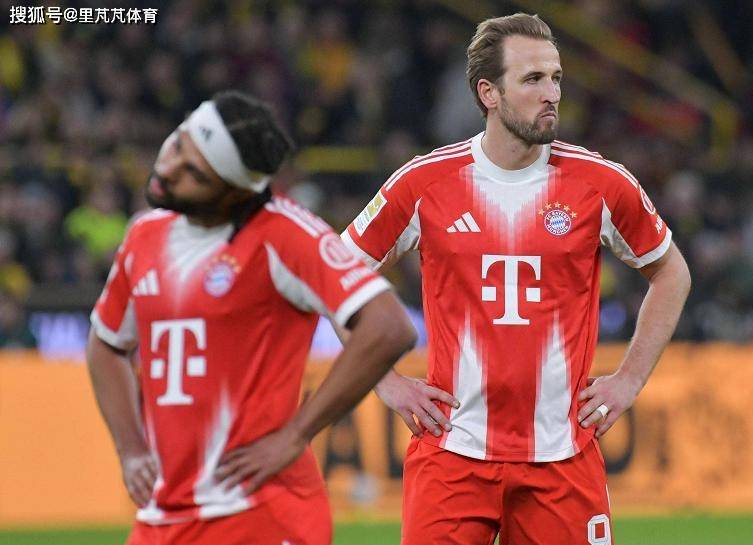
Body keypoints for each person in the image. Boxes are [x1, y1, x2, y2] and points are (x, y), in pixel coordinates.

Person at [340, 13, 691, 545]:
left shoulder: (600, 183)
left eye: (556, 78)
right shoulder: (425, 182)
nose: (552, 94)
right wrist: (384, 381)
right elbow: (335, 276)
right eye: (532, 79)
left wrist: (629, 380)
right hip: (452, 454)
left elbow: (671, 272)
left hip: (563, 458)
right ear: (489, 93)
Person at [86, 90, 416, 545]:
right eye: (177, 144)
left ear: (234, 193)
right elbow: (106, 343)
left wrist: (297, 434)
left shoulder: (283, 234)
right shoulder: (145, 234)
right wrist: (130, 449)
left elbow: (388, 326)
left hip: (260, 510)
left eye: (195, 173)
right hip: (166, 514)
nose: (168, 168)